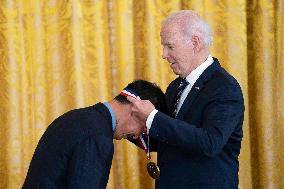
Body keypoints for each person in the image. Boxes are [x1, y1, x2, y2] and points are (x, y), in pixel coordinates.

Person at [127, 10, 245, 189]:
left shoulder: (224, 88)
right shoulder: (176, 86)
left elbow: (209, 142)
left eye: (170, 46)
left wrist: (152, 117)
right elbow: (170, 138)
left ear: (195, 43)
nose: (164, 54)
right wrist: (128, 124)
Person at [22, 80, 167, 189]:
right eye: (143, 129)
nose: (136, 136)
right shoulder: (98, 136)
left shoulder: (75, 117)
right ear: (135, 108)